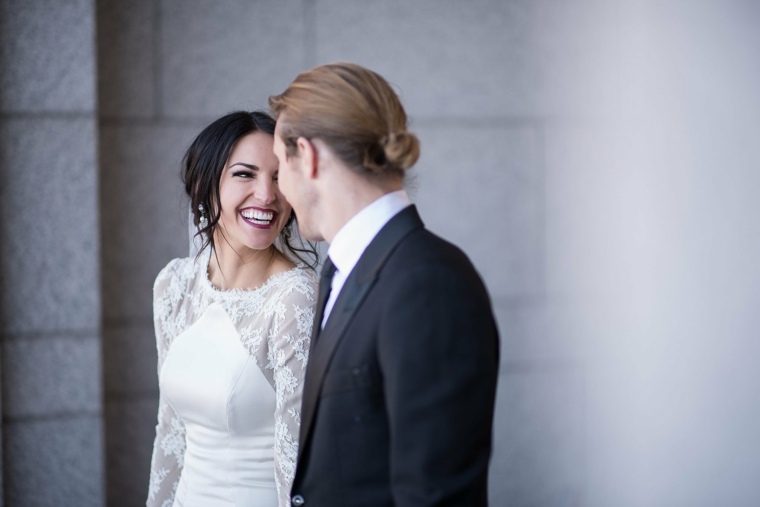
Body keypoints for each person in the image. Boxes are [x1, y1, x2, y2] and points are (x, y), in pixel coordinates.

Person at [269, 63, 500, 507]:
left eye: (280, 170)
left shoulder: (429, 284)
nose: (279, 194)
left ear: (309, 156)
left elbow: (436, 496)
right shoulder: (343, 272)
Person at [147, 111, 318, 507]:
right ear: (205, 185)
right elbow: (170, 431)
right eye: (245, 174)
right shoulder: (174, 284)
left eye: (279, 177)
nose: (266, 194)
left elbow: (296, 456)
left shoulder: (295, 297)